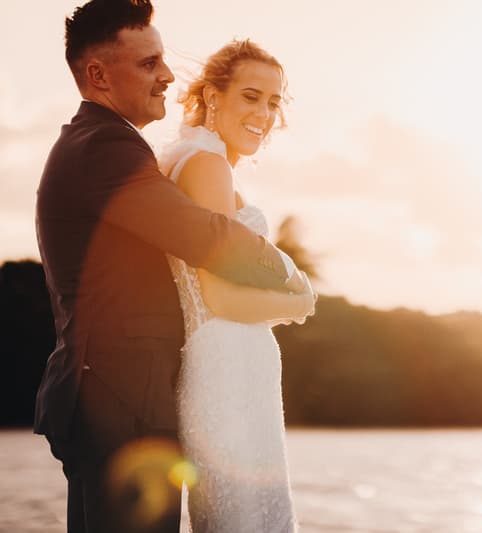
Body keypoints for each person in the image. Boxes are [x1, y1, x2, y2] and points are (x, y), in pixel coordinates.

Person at [34, 1, 313, 532]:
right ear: (98, 74)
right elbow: (205, 235)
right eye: (149, 63)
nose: (167, 75)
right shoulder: (105, 148)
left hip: (119, 396)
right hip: (119, 400)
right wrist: (293, 279)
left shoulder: (108, 144)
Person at [158, 39, 313, 533]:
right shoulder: (207, 166)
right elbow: (219, 297)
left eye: (273, 102)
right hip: (226, 367)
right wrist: (297, 302)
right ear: (212, 96)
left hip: (232, 367)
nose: (263, 114)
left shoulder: (198, 160)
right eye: (250, 97)